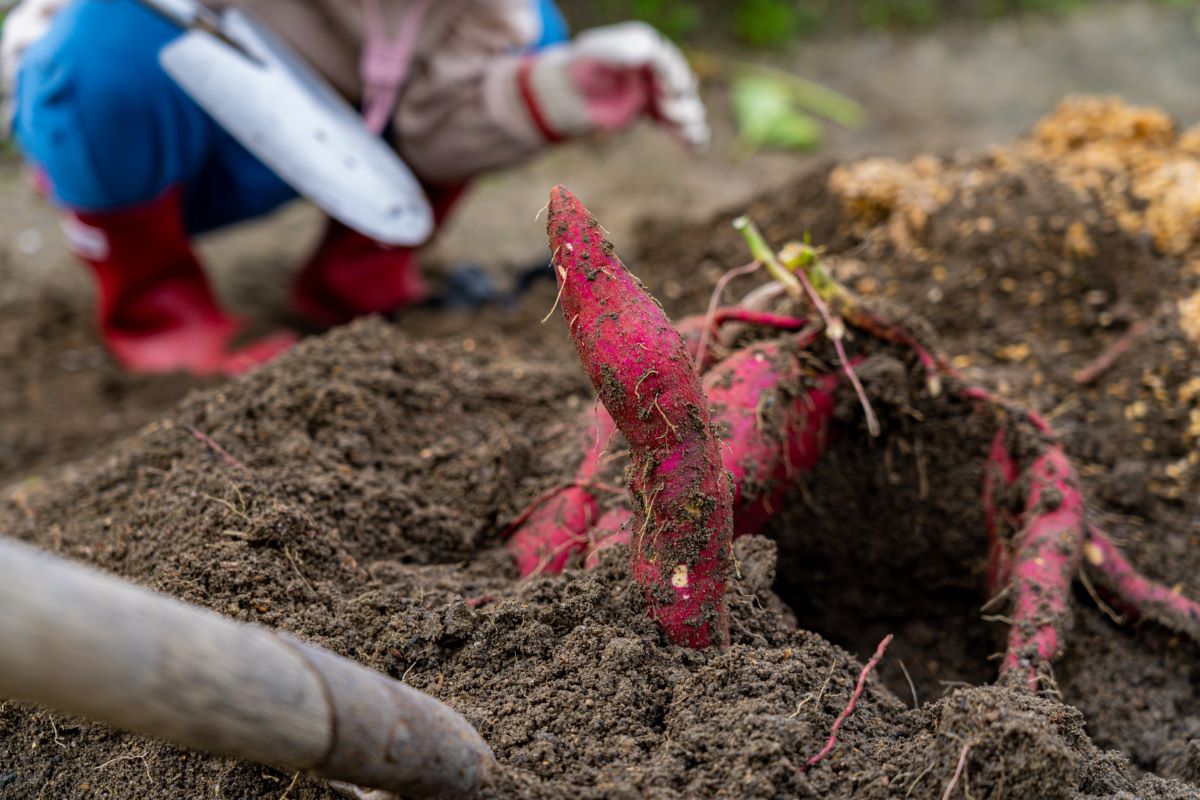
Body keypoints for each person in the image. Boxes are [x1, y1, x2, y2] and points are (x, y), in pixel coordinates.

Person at [0, 0, 708, 375]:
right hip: (180, 147)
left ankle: (357, 276)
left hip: (341, 143)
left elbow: (438, 132)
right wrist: (52, 66)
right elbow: (88, 51)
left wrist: (555, 90)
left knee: (538, 38)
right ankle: (157, 309)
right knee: (109, 38)